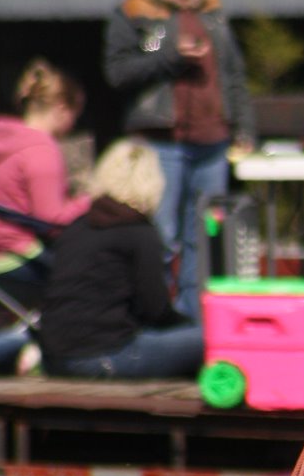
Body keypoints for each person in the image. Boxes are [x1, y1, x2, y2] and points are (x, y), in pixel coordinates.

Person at [103, 0, 255, 322]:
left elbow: (233, 73)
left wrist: (244, 127)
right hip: (162, 144)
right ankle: (155, 321)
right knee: (161, 238)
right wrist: (170, 57)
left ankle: (191, 329)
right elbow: (117, 73)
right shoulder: (133, 11)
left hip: (212, 142)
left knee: (202, 243)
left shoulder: (210, 8)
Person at [39, 138, 204, 380]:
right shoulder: (139, 232)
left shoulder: (78, 226)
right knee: (208, 340)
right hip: (103, 357)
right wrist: (185, 324)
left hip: (54, 358)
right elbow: (156, 311)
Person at [0, 59, 90, 317]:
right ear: (62, 108)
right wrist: (88, 201)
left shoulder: (6, 135)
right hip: (15, 257)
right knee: (92, 277)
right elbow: (52, 221)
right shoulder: (42, 150)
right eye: (75, 115)